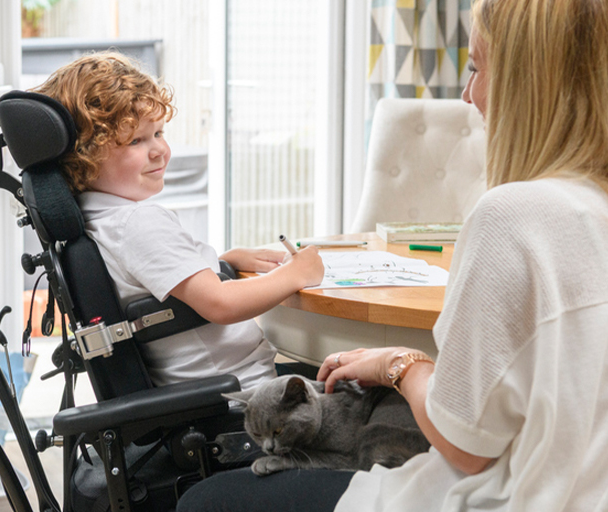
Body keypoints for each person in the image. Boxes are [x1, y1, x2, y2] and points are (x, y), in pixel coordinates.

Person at [176, 0, 608, 510]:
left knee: (204, 501)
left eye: (476, 68)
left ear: (526, 81)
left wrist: (400, 365)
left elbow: (467, 447)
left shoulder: (511, 217)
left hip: (507, 496)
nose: (468, 96)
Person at [31, 52, 324, 390]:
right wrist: (296, 273)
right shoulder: (137, 222)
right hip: (246, 392)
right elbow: (220, 304)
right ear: (85, 156)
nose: (160, 150)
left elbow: (153, 282)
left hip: (218, 387)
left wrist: (221, 262)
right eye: (136, 140)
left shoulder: (98, 219)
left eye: (159, 133)